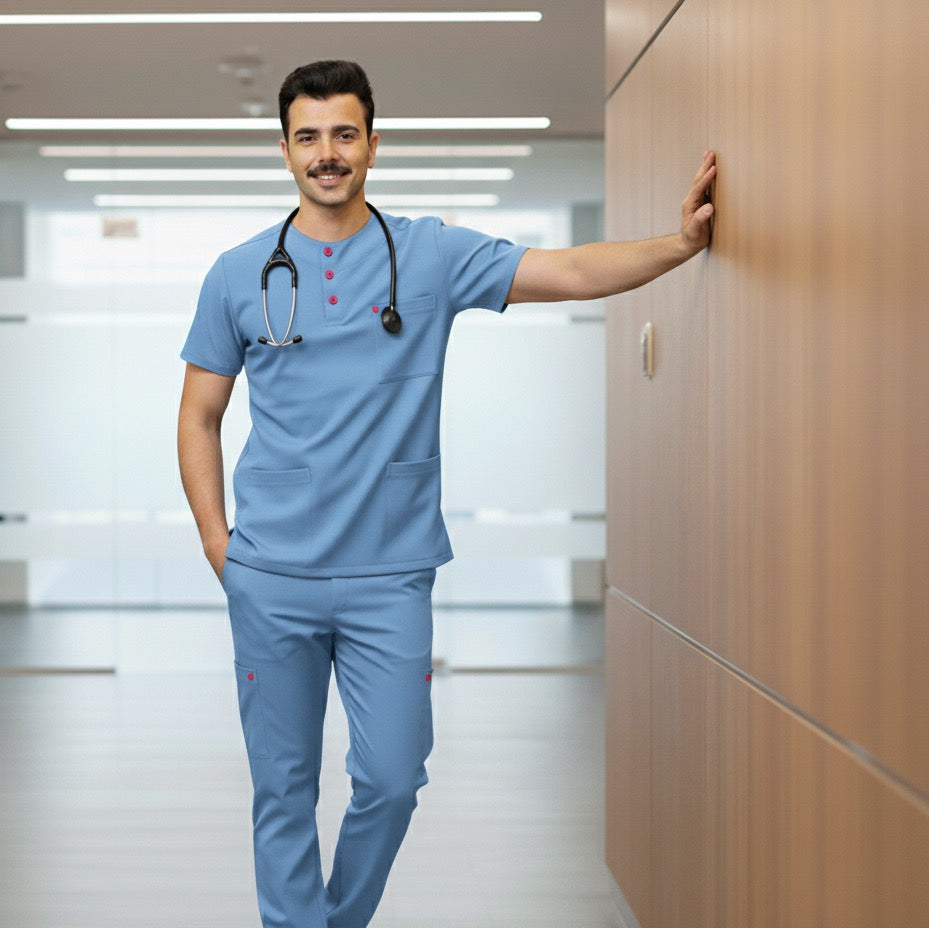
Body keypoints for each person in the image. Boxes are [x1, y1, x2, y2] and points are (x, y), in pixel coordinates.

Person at [177, 59, 715, 928]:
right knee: (280, 787)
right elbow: (199, 415)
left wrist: (678, 245)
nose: (327, 153)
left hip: (390, 572)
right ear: (283, 150)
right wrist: (217, 544)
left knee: (391, 777)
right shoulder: (238, 274)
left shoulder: (429, 253)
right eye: (308, 136)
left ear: (373, 146)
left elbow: (570, 270)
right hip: (271, 572)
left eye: (344, 134)